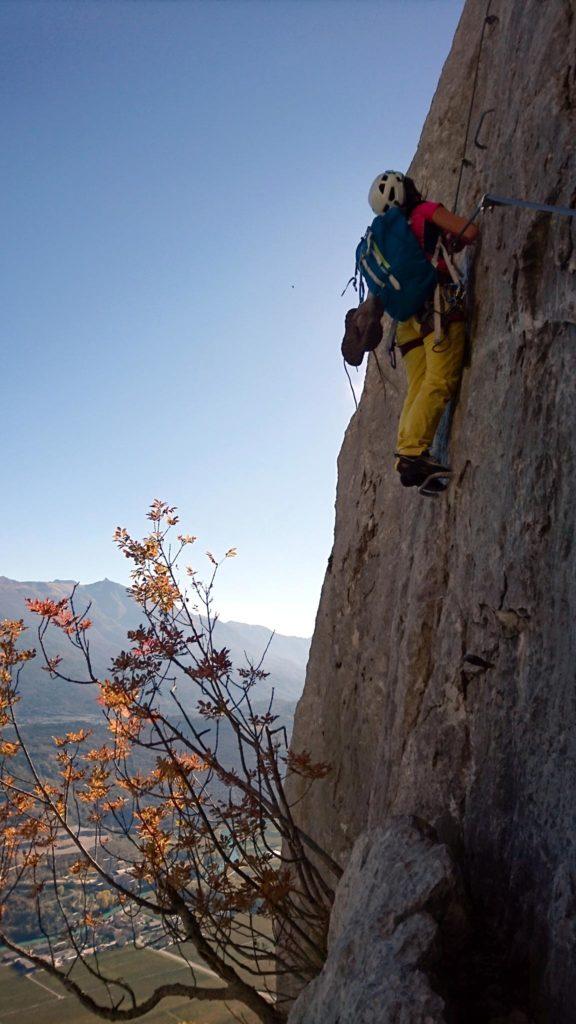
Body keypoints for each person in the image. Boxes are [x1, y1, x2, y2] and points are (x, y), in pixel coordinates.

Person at [367, 170, 479, 491]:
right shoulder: (425, 212)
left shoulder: (392, 238)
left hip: (405, 325)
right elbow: (469, 232)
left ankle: (409, 453)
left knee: (417, 386)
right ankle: (412, 453)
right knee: (440, 379)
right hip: (436, 308)